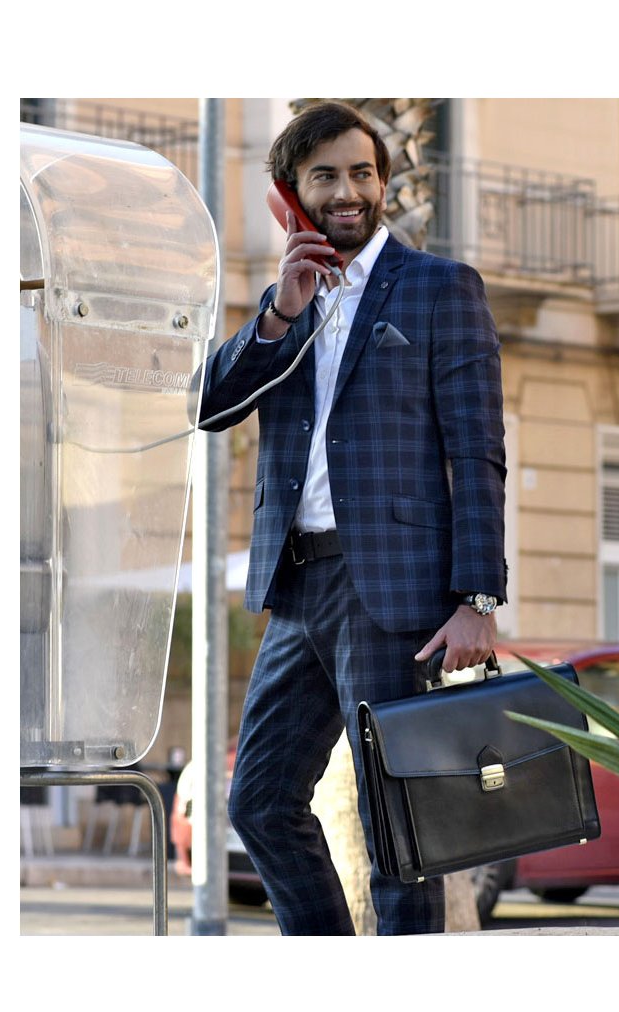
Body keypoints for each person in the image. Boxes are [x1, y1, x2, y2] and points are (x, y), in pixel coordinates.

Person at [199, 100, 506, 936]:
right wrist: (280, 311)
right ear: (289, 195)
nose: (348, 192)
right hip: (300, 588)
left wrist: (477, 598)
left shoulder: (440, 288)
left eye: (362, 173)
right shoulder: (288, 302)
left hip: (394, 593)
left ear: (382, 182)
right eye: (325, 176)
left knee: (395, 826)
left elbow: (478, 451)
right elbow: (209, 405)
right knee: (259, 799)